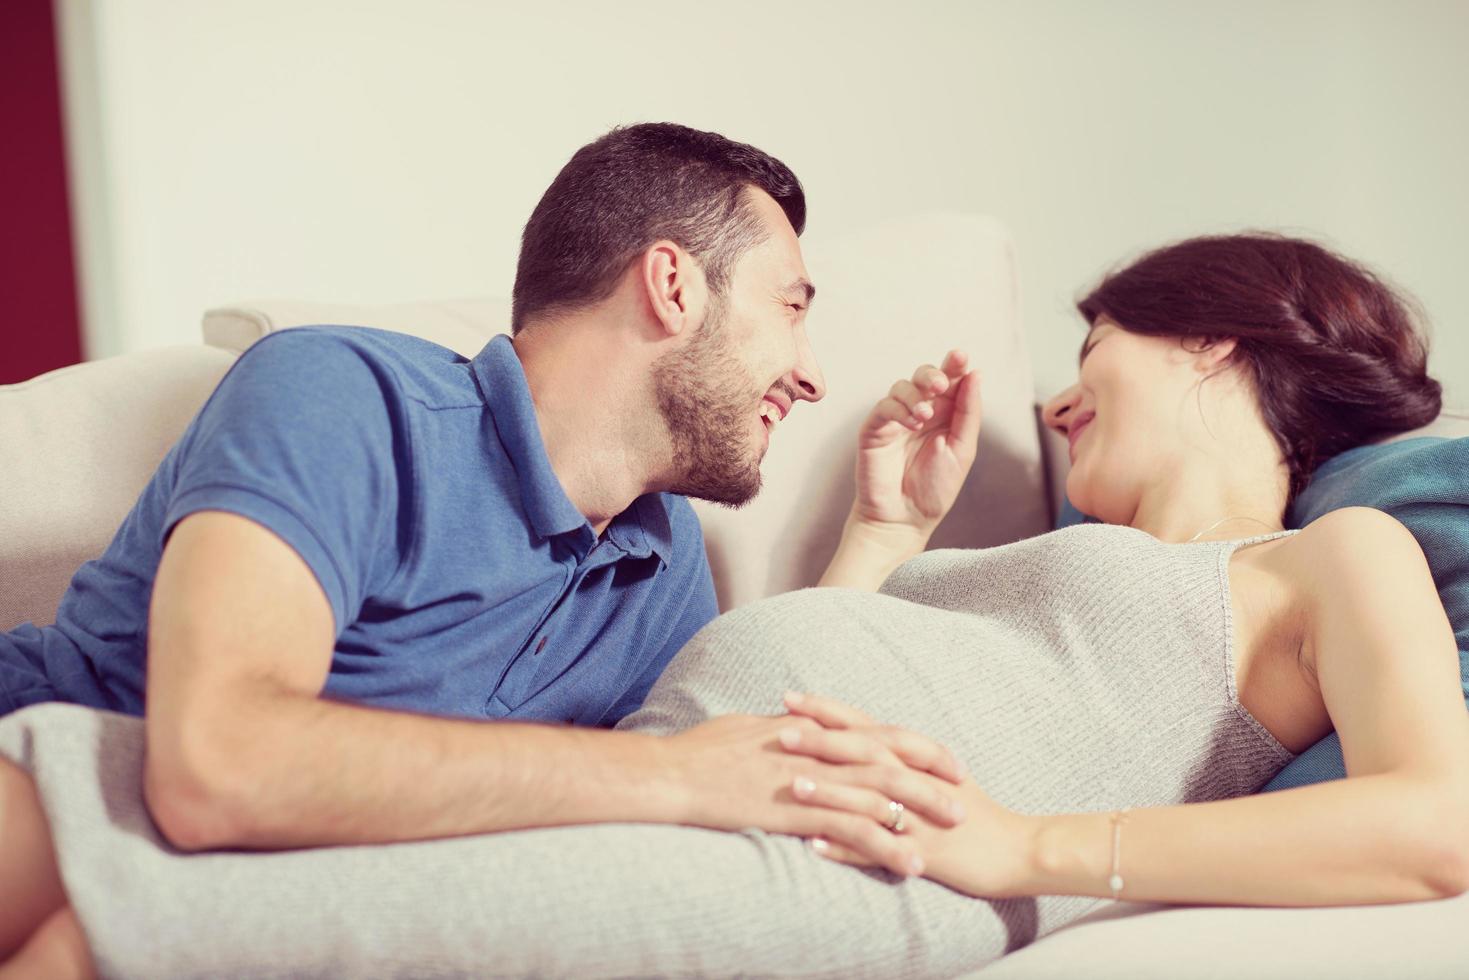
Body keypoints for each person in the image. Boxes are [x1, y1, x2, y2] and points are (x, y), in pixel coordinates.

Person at [3, 233, 1466, 979]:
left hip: (838, 867)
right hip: (687, 780)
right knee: (70, 796)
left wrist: (1034, 847)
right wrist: (886, 528)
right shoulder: (982, 552)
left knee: (134, 935)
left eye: (1097, 345)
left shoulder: (1326, 561)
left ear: (1210, 342)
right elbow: (807, 672)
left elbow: (1431, 825)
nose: (1049, 395)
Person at [0, 124, 976, 975]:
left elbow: (750, 783)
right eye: (793, 306)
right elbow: (218, 764)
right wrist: (674, 773)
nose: (812, 374)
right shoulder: (344, 396)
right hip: (46, 802)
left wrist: (881, 534)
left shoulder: (660, 551)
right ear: (672, 284)